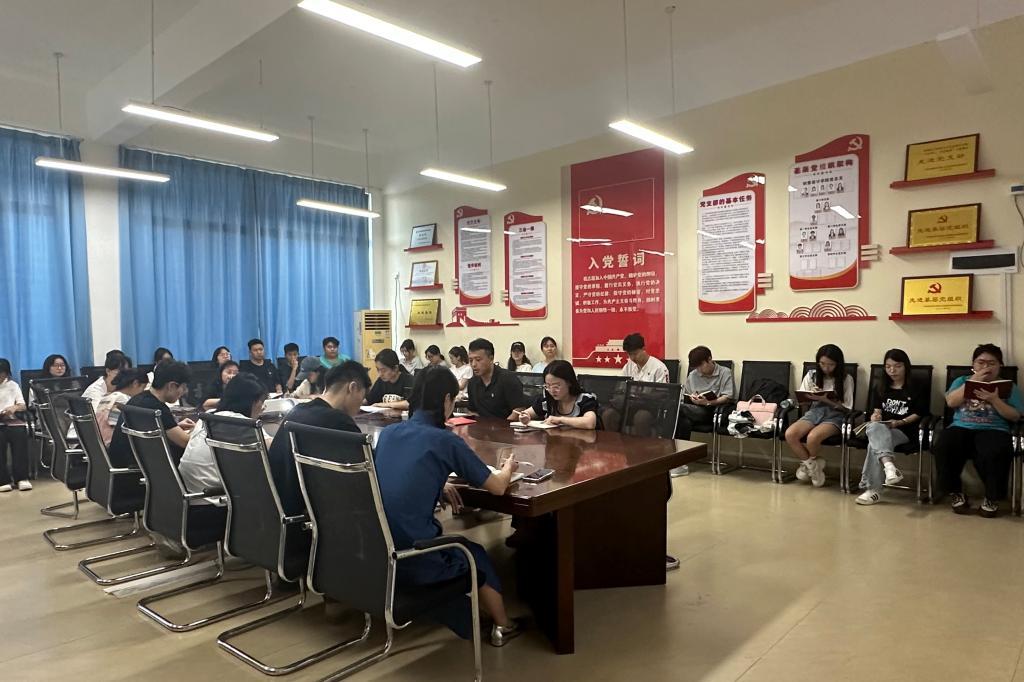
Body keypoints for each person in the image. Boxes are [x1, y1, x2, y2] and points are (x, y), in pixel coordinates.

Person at [374, 366, 523, 646]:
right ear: (446, 400)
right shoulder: (445, 440)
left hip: (378, 549)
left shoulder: (390, 433)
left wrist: (437, 482)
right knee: (475, 554)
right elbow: (497, 487)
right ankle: (504, 625)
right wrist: (508, 467)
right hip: (416, 554)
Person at [268, 361, 370, 515]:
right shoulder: (340, 423)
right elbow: (362, 478)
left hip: (279, 510)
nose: (360, 404)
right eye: (362, 396)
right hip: (313, 516)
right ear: (352, 388)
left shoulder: (297, 412)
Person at [933, 344, 1023, 517]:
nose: (986, 367)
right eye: (981, 362)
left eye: (991, 363)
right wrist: (973, 382)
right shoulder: (961, 381)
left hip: (994, 428)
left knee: (995, 451)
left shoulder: (1009, 386)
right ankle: (955, 492)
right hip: (961, 426)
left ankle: (991, 498)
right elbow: (951, 402)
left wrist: (995, 400)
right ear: (973, 364)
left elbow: (1015, 416)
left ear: (1000, 366)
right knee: (944, 445)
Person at [855, 349, 930, 506]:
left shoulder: (917, 387)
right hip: (883, 429)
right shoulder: (881, 387)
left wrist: (899, 422)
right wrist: (875, 417)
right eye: (888, 367)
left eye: (897, 366)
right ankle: (889, 468)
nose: (892, 370)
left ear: (906, 366)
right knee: (875, 429)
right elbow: (876, 411)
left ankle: (873, 489)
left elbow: (919, 413)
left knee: (873, 443)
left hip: (905, 430)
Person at [180, 373, 271, 499]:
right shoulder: (240, 423)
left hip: (190, 494)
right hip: (215, 498)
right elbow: (276, 447)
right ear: (251, 402)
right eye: (262, 402)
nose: (263, 407)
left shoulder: (209, 416)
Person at [785, 344, 854, 488]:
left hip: (836, 415)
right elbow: (803, 402)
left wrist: (825, 399)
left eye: (831, 365)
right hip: (815, 411)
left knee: (813, 437)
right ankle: (813, 466)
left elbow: (847, 408)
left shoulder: (846, 378)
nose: (826, 368)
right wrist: (808, 397)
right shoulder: (812, 375)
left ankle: (807, 465)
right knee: (790, 434)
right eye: (822, 364)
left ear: (838, 364)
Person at [107, 361, 195, 468]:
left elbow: (148, 428)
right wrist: (199, 431)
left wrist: (175, 427)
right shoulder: (157, 409)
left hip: (122, 466)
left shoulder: (138, 399)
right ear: (171, 386)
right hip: (137, 471)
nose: (185, 392)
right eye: (184, 387)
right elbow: (186, 442)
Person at [674, 346, 737, 476]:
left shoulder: (725, 372)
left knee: (677, 409)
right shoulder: (693, 375)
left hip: (713, 411)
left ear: (709, 359)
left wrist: (708, 402)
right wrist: (693, 398)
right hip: (693, 409)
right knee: (683, 421)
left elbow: (728, 397)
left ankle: (676, 461)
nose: (699, 370)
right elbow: (687, 394)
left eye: (701, 366)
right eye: (696, 367)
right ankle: (679, 463)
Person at [514, 360, 600, 430]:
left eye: (556, 386)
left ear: (569, 382)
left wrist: (560, 420)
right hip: (555, 443)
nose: (552, 391)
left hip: (583, 444)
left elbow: (590, 423)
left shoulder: (585, 399)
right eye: (547, 386)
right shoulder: (547, 399)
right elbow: (527, 413)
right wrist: (525, 417)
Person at [466, 338, 529, 419]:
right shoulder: (472, 383)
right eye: (471, 360)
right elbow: (472, 411)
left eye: (478, 360)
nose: (473, 364)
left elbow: (519, 409)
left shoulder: (508, 379)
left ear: (491, 358)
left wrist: (504, 425)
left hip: (506, 425)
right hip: (482, 426)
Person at [0, 358, 31, 492]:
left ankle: (21, 478)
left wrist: (13, 408)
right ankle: (3, 480)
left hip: (12, 421)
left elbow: (23, 405)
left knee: (19, 436)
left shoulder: (13, 385)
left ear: (7, 373)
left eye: (2, 374)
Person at [96, 368, 149, 445]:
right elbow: (120, 429)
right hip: (112, 445)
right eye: (143, 388)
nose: (142, 392)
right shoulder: (122, 400)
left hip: (100, 444)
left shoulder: (108, 396)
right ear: (135, 383)